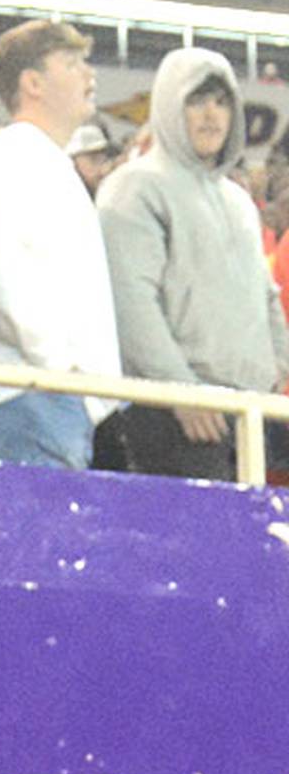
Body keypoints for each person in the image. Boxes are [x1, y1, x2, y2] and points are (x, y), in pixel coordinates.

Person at [98, 49, 289, 482]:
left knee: (247, 546)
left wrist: (275, 370)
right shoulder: (134, 187)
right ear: (168, 104)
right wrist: (180, 389)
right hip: (174, 414)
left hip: (248, 411)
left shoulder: (238, 200)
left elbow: (264, 294)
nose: (211, 114)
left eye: (222, 102)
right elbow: (131, 299)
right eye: (196, 100)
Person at [0, 18, 122, 470]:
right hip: (32, 396)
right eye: (71, 64)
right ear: (32, 83)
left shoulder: (43, 160)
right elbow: (0, 268)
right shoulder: (10, 157)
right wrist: (60, 367)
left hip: (52, 396)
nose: (88, 74)